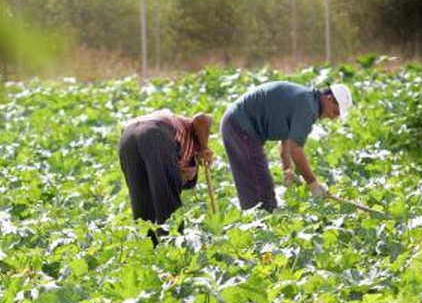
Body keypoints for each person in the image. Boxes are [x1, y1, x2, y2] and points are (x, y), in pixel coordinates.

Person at [220, 81, 352, 211]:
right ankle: (257, 226)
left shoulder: (307, 99)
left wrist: (287, 170)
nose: (333, 117)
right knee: (262, 196)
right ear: (329, 98)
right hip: (240, 125)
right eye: (336, 112)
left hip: (237, 124)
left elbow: (287, 141)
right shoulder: (309, 106)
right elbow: (296, 149)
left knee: (259, 188)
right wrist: (313, 183)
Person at [119, 109, 213, 245]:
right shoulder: (193, 139)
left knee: (142, 203)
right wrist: (204, 147)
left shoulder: (175, 153)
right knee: (168, 201)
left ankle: (148, 252)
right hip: (155, 132)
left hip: (127, 137)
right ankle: (174, 250)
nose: (184, 179)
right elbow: (203, 118)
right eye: (186, 178)